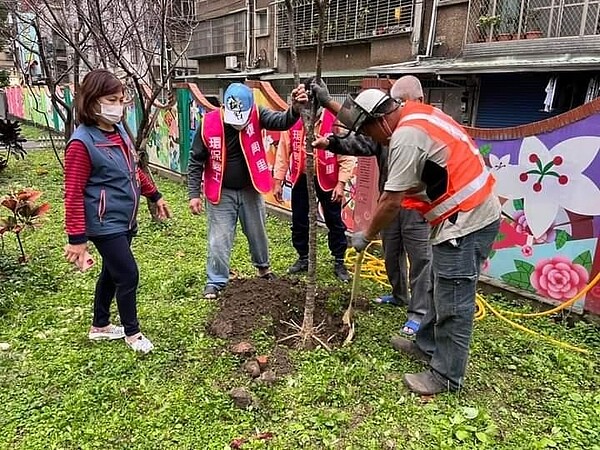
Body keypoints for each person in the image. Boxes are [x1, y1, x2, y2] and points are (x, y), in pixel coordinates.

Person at [322, 83, 501, 396]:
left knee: (453, 301)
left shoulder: (406, 136)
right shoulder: (415, 115)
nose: (369, 139)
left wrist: (366, 235)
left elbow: (391, 201)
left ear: (379, 121)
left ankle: (446, 376)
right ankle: (426, 345)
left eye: (367, 131)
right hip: (457, 215)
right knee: (435, 285)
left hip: (467, 221)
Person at [311, 76, 432, 335]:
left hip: (417, 206)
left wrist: (366, 234)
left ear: (418, 100)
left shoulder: (421, 128)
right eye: (394, 102)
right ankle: (399, 295)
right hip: (390, 204)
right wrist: (331, 142)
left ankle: (419, 313)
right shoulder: (387, 129)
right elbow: (362, 137)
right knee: (391, 252)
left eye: (401, 102)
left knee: (420, 259)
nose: (395, 108)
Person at [64, 69, 171, 354]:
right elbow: (73, 193)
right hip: (104, 222)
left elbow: (132, 170)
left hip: (126, 218)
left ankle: (99, 326)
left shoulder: (119, 130)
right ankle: (132, 333)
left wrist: (155, 195)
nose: (118, 105)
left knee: (112, 273)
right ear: (92, 101)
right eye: (112, 99)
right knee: (128, 274)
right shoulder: (81, 142)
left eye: (121, 99)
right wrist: (77, 237)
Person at [188, 82, 308, 299]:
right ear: (225, 108)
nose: (239, 125)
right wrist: (194, 194)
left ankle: (263, 269)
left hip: (251, 187)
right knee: (219, 238)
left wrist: (295, 109)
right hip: (221, 191)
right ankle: (215, 281)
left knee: (257, 232)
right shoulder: (208, 124)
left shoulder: (257, 114)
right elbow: (196, 160)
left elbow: (282, 122)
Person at [273, 78, 356, 282]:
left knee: (335, 221)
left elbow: (346, 154)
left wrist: (341, 183)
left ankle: (338, 260)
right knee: (299, 220)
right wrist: (278, 180)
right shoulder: (293, 120)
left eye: (313, 102)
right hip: (302, 177)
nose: (309, 107)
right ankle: (303, 257)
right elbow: (284, 152)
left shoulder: (333, 121)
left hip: (328, 179)